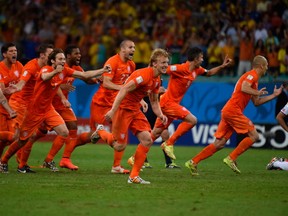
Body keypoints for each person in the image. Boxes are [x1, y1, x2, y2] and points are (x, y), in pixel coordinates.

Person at [0, 48, 111, 173]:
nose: (63, 61)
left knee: (64, 131)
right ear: (52, 61)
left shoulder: (65, 70)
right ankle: (4, 161)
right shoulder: (46, 69)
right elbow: (45, 77)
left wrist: (102, 70)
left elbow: (84, 75)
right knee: (22, 140)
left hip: (48, 109)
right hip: (34, 111)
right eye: (60, 59)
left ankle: (47, 160)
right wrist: (55, 72)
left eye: (64, 59)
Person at [185, 55, 282, 176]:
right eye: (266, 65)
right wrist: (257, 92)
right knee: (254, 136)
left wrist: (273, 95)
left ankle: (193, 162)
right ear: (261, 66)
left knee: (219, 144)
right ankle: (232, 158)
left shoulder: (254, 81)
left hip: (228, 111)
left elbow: (257, 102)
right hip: (233, 110)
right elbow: (244, 87)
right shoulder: (252, 75)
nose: (267, 68)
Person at [91, 48, 169, 184]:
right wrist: (113, 110)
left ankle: (133, 176)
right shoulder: (143, 75)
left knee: (147, 139)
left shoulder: (157, 79)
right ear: (154, 63)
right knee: (119, 146)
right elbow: (124, 89)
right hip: (123, 109)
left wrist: (160, 115)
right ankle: (101, 131)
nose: (166, 65)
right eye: (163, 62)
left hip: (135, 110)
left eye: (167, 62)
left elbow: (155, 101)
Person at [151, 47, 232, 162]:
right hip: (168, 103)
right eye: (201, 58)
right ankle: (169, 143)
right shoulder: (179, 68)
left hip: (170, 104)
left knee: (155, 133)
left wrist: (222, 66)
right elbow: (160, 69)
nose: (203, 60)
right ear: (195, 59)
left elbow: (208, 73)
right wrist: (156, 87)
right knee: (192, 120)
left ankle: (135, 158)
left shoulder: (197, 70)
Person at [68, 40, 137, 174]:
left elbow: (129, 85)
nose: (133, 49)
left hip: (116, 103)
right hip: (101, 103)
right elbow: (106, 83)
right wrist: (122, 88)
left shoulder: (131, 65)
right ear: (122, 49)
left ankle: (116, 166)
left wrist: (138, 100)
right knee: (93, 134)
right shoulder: (112, 62)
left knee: (122, 131)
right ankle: (68, 151)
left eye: (134, 47)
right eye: (130, 47)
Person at [42, 44, 96, 172]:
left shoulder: (76, 68)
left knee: (72, 126)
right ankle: (21, 159)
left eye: (79, 53)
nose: (79, 55)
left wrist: (99, 78)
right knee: (38, 133)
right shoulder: (59, 68)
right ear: (68, 56)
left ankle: (65, 159)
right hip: (50, 104)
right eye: (76, 53)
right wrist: (61, 87)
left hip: (63, 105)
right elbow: (49, 84)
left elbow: (86, 78)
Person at [8, 43, 54, 173]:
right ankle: (6, 161)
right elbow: (22, 81)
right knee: (16, 136)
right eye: (49, 55)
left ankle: (21, 163)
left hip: (32, 105)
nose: (52, 58)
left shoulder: (49, 68)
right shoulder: (31, 66)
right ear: (42, 55)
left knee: (29, 135)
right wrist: (18, 87)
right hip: (19, 103)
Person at [0, 43, 23, 157]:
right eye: (11, 51)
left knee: (12, 139)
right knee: (7, 138)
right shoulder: (0, 68)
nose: (15, 53)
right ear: (4, 54)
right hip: (1, 109)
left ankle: (2, 162)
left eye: (15, 51)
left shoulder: (18, 66)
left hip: (12, 108)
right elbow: (2, 92)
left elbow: (24, 83)